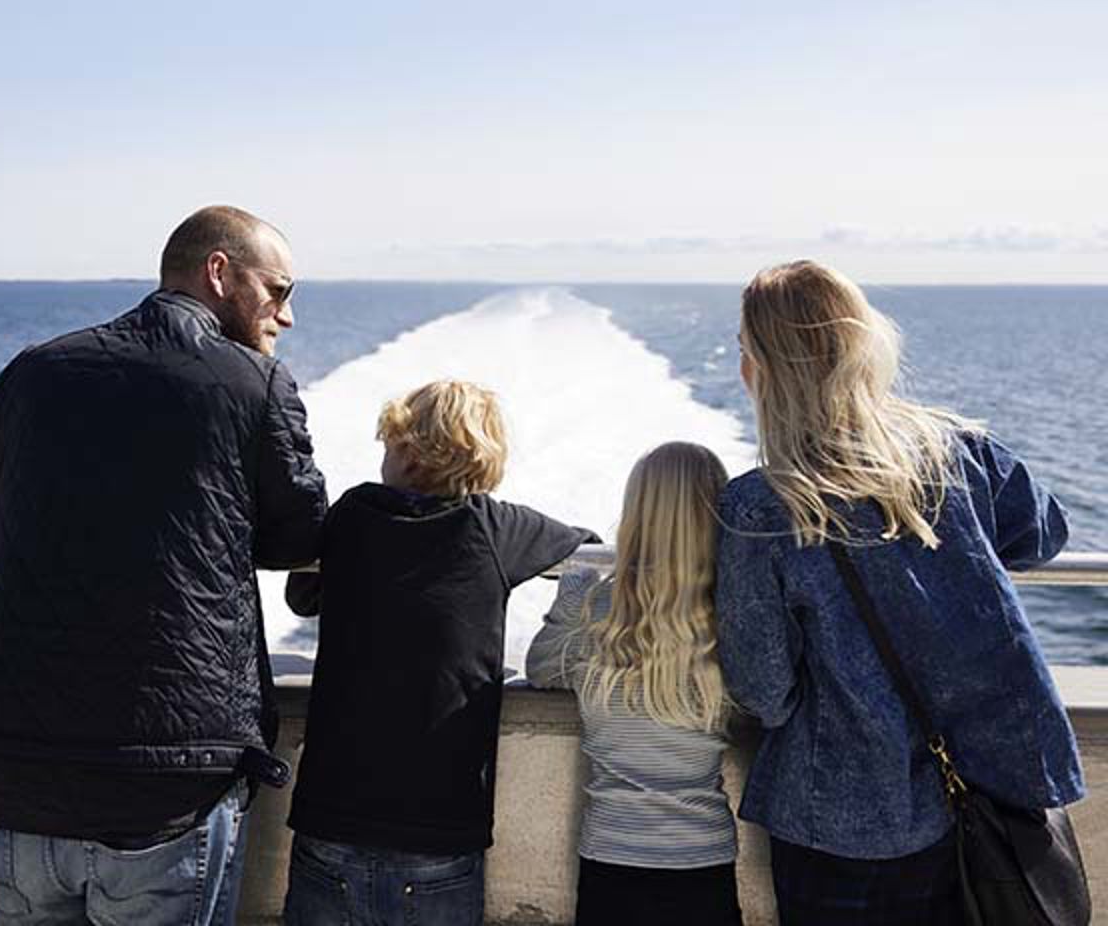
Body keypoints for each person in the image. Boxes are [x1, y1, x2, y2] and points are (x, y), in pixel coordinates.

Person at [0, 204, 329, 926]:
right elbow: (301, 536)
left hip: (22, 769)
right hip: (169, 784)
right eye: (278, 291)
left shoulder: (32, 372)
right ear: (219, 272)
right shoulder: (255, 384)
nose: (286, 315)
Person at [716, 260, 1084, 925]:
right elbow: (1044, 533)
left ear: (767, 368)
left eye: (746, 349)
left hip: (839, 820)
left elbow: (764, 690)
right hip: (984, 795)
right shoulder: (961, 452)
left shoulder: (760, 508)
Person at [282, 379, 599, 926]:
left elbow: (301, 596)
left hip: (330, 821)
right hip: (440, 835)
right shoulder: (498, 527)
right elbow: (588, 548)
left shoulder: (354, 513)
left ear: (407, 449)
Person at [526, 442, 743, 926]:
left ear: (638, 512)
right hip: (702, 856)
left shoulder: (593, 607)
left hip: (612, 853)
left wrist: (573, 591)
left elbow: (541, 669)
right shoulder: (731, 615)